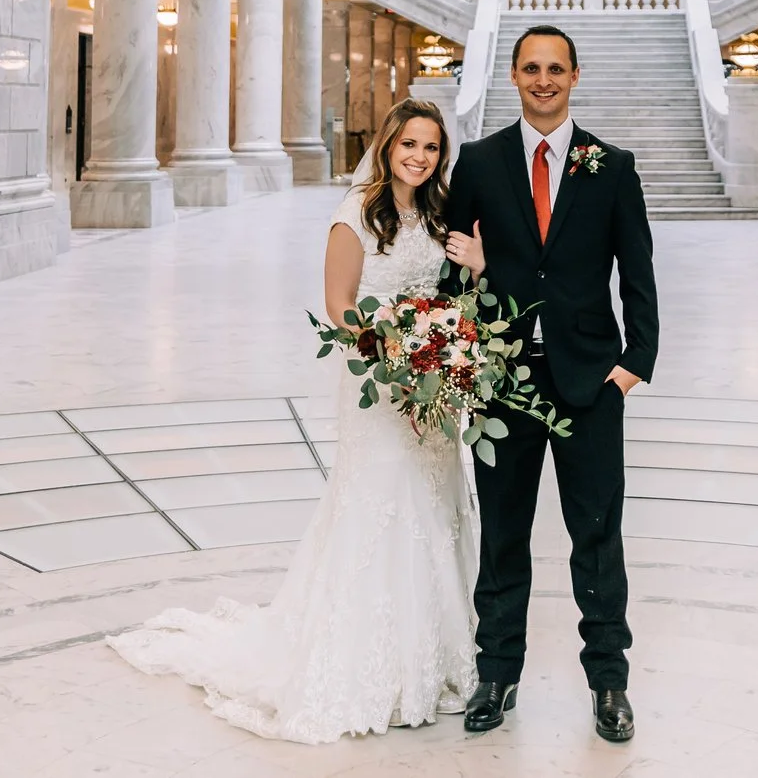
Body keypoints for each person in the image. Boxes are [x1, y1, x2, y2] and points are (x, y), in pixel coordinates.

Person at [110, 99, 485, 741]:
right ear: (388, 146)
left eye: (431, 147)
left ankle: (433, 658)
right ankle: (365, 662)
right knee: (380, 500)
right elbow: (339, 307)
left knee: (434, 502)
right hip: (378, 377)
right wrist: (390, 351)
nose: (419, 157)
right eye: (409, 145)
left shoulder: (440, 213)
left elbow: (456, 294)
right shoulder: (354, 218)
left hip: (432, 381)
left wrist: (469, 283)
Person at [444, 26, 657, 745]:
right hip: (502, 380)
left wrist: (632, 364)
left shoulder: (612, 165)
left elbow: (638, 275)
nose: (543, 79)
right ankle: (496, 673)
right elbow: (452, 274)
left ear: (574, 76)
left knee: (597, 535)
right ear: (512, 75)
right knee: (503, 535)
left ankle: (609, 683)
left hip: (589, 380)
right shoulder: (477, 161)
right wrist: (473, 282)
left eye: (555, 69)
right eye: (531, 68)